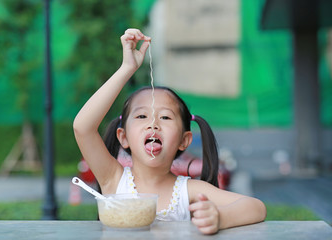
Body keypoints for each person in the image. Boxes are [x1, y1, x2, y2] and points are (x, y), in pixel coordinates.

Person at [73, 28, 266, 235]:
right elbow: (82, 127)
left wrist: (220, 217)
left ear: (184, 140)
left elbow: (256, 208)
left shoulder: (189, 190)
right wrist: (127, 68)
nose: (153, 124)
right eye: (141, 116)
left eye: (165, 117)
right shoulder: (113, 180)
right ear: (124, 137)